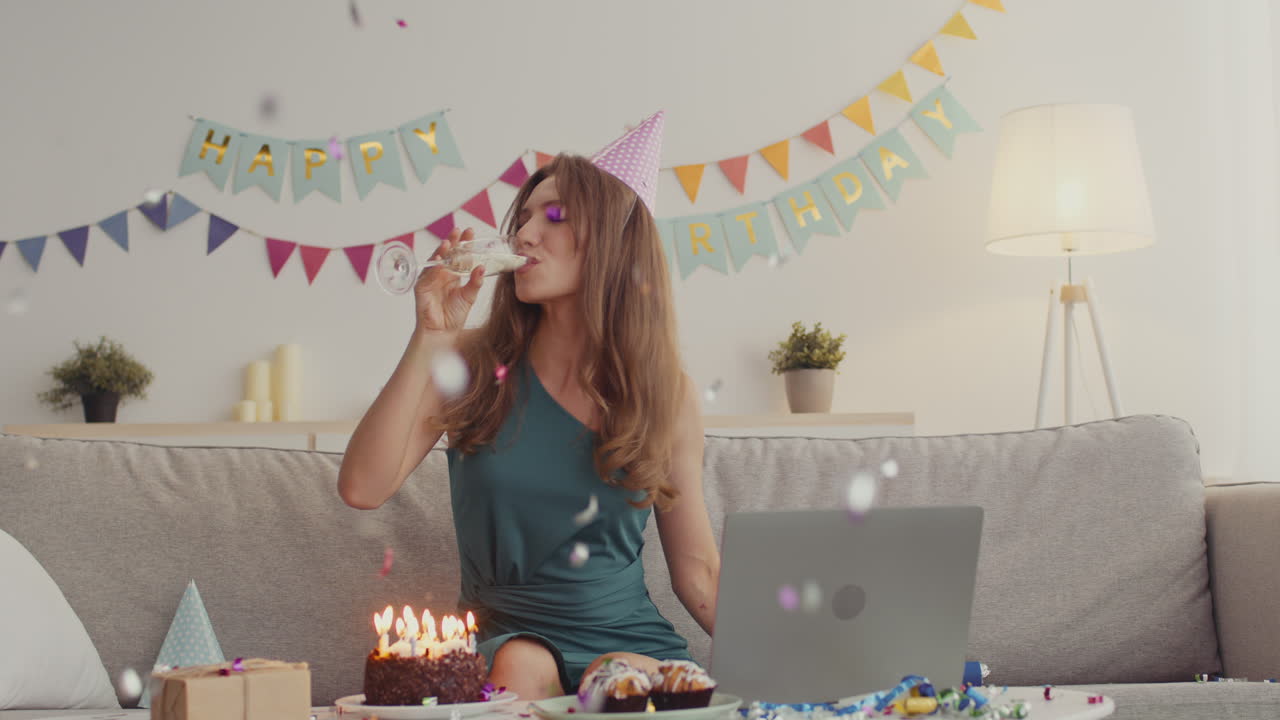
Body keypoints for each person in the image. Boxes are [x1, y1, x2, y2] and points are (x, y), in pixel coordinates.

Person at [338, 111, 720, 701]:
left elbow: (698, 574)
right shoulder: (466, 364)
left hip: (627, 643)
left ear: (614, 243)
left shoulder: (667, 393)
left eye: (555, 216)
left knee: (621, 674)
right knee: (521, 662)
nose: (524, 234)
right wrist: (430, 336)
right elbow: (362, 487)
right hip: (506, 647)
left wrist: (796, 661)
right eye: (523, 217)